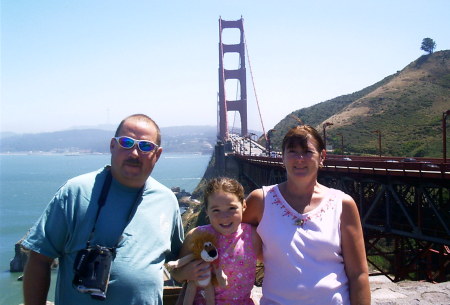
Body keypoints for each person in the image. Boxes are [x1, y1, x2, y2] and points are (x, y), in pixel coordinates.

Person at [22, 114, 184, 305]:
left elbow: (178, 261)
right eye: (126, 143)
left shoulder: (166, 201)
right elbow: (39, 259)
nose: (134, 153)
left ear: (157, 155)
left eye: (145, 146)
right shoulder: (75, 192)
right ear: (112, 146)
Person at [242, 125, 371, 305]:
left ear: (322, 157)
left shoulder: (342, 204)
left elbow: (358, 274)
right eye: (292, 151)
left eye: (308, 152)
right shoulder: (260, 201)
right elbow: (224, 235)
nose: (300, 159)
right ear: (283, 157)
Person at [175, 177, 261, 305]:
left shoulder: (254, 235)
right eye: (216, 210)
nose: (224, 216)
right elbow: (176, 274)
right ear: (206, 211)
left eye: (232, 208)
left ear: (243, 206)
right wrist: (186, 273)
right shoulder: (196, 236)